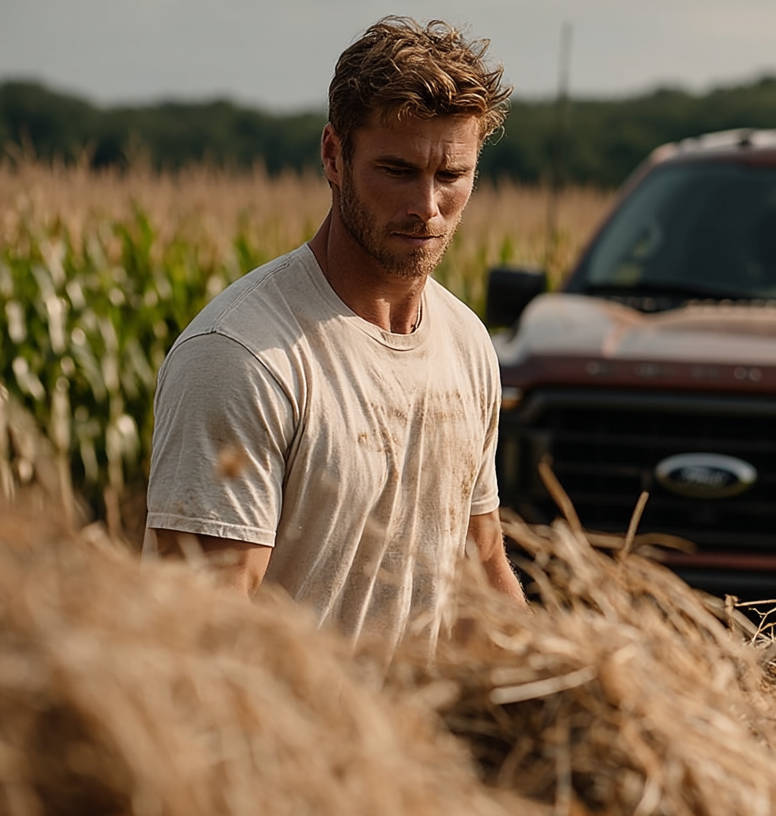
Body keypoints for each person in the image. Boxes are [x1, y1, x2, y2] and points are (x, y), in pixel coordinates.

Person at [145, 16, 527, 647]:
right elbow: (204, 630)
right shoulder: (243, 355)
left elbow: (480, 567)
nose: (427, 207)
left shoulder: (465, 341)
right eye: (398, 171)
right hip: (292, 742)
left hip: (420, 743)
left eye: (451, 176)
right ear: (333, 155)